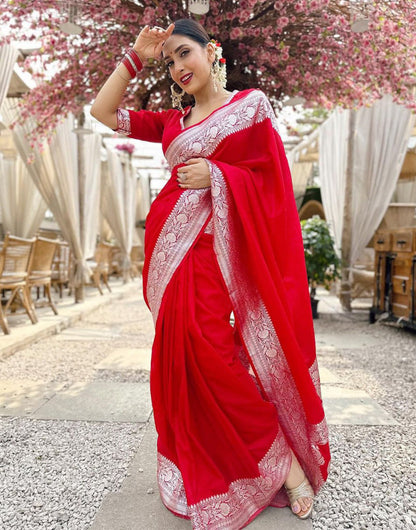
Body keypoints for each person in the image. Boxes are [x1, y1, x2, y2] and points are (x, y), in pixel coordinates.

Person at [91, 18, 330, 529]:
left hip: (220, 260)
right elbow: (101, 111)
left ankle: (285, 465)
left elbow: (271, 183)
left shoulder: (249, 107)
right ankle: (223, 455)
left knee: (213, 359)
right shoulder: (172, 125)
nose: (178, 67)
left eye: (185, 54)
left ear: (210, 51)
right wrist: (135, 55)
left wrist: (219, 176)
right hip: (175, 264)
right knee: (180, 362)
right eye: (170, 60)